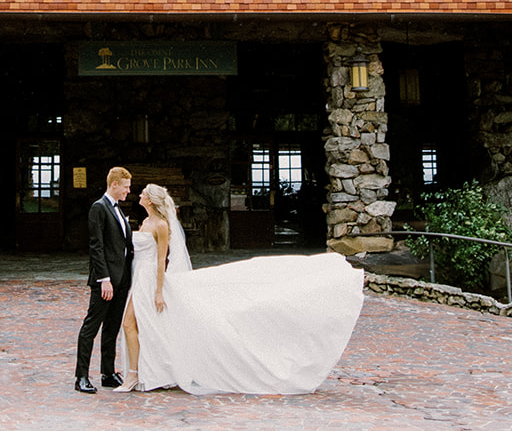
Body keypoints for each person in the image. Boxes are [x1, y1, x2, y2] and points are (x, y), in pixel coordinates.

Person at [113, 183, 364, 395]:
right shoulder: (145, 221)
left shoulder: (161, 226)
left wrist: (158, 290)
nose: (140, 194)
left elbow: (160, 260)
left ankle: (136, 375)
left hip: (150, 280)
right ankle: (146, 371)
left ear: (152, 200)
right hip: (139, 277)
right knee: (141, 325)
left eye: (144, 192)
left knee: (132, 323)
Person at [74, 166, 133, 394]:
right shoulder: (98, 208)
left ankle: (108, 373)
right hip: (106, 280)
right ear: (114, 184)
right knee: (91, 326)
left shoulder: (118, 209)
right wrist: (104, 279)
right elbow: (96, 246)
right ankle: (81, 377)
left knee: (112, 327)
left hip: (122, 279)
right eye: (126, 187)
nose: (128, 192)